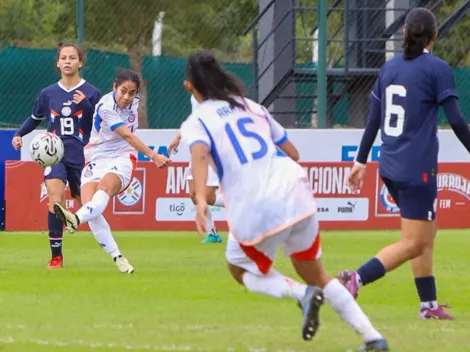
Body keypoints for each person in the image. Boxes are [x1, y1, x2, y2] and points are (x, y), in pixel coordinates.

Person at [180, 50, 389, 351]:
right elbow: (292, 152)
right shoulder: (252, 106)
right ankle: (373, 338)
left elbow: (199, 154)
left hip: (256, 203)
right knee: (317, 272)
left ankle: (302, 294)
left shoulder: (196, 121)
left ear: (190, 86)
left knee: (239, 270)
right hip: (295, 190)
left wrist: (201, 199)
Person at [338, 7, 470, 320]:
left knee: (427, 231)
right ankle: (354, 279)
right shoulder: (436, 68)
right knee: (415, 241)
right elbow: (456, 121)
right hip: (417, 169)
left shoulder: (389, 69)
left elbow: (373, 120)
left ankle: (428, 305)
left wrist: (360, 161)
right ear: (435, 36)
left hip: (391, 166)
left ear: (404, 34)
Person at [53, 69, 171, 273]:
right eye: (123, 91)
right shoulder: (106, 106)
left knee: (104, 188)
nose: (126, 97)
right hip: (96, 157)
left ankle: (75, 219)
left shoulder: (135, 101)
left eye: (132, 93)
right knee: (92, 207)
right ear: (114, 87)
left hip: (123, 156)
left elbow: (128, 142)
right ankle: (118, 257)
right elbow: (127, 134)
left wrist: (149, 155)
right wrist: (154, 155)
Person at [12, 43, 101, 269]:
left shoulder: (91, 92)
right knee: (55, 200)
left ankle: (110, 248)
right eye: (64, 58)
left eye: (73, 58)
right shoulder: (48, 93)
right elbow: (35, 118)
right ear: (58, 63)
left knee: (89, 205)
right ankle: (56, 257)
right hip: (54, 155)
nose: (68, 61)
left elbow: (99, 125)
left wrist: (87, 106)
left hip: (83, 156)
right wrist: (19, 134)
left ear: (80, 62)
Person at [168, 95, 224, 244]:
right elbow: (195, 118)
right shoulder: (195, 93)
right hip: (197, 149)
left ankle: (243, 202)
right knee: (194, 194)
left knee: (208, 197)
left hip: (212, 150)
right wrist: (178, 137)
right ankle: (212, 233)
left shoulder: (215, 93)